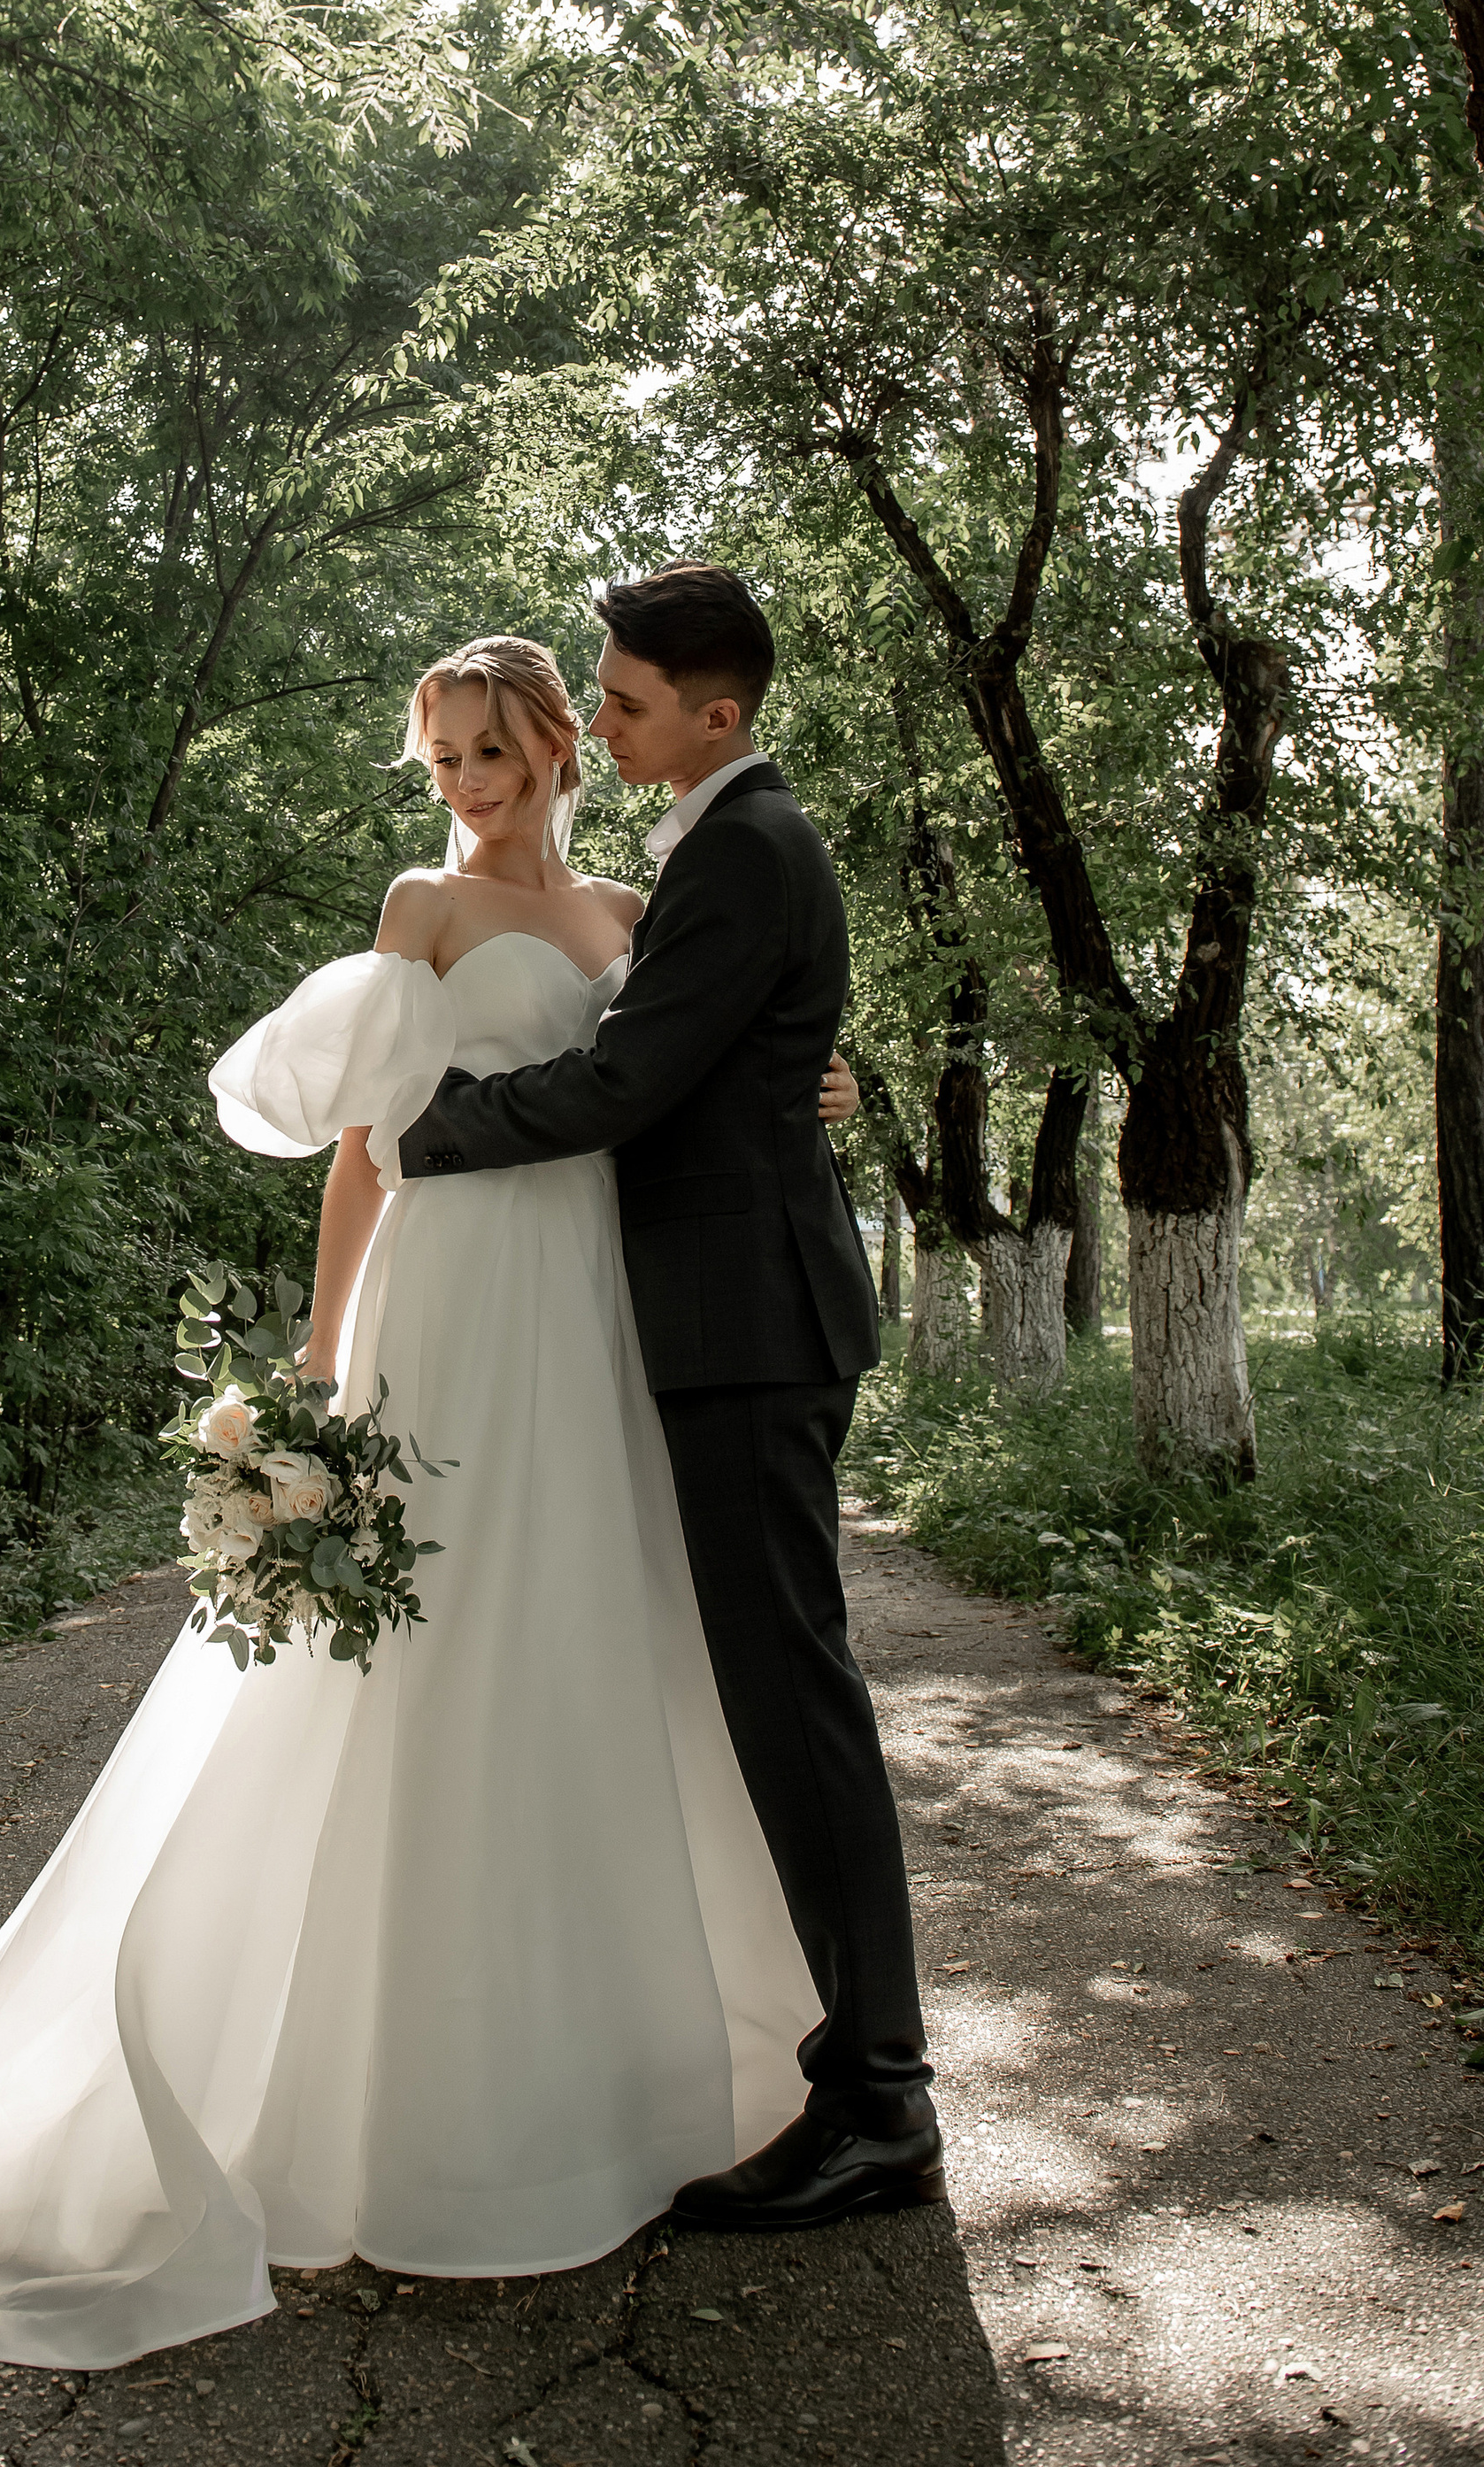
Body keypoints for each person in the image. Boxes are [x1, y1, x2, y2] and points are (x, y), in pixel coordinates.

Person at [0, 626, 865, 2367]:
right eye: (436, 762)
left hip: (588, 1317)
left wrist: (817, 1083)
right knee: (416, 1644)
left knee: (582, 1638)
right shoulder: (417, 916)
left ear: (560, 746)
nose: (461, 790)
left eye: (486, 755)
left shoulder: (639, 924)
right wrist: (325, 1361)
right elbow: (366, 1147)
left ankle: (594, 2061)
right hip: (448, 1297)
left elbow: (672, 1083)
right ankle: (368, 2097)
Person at [393, 567, 941, 2232]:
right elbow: (721, 1052)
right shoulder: (727, 849)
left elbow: (633, 1076)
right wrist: (808, 1071)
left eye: (624, 703)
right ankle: (861, 2071)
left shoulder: (746, 847)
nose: (604, 719)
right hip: (706, 1319)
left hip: (748, 1329)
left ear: (717, 712)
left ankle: (881, 2102)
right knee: (772, 1696)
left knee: (795, 1701)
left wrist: (426, 1134)